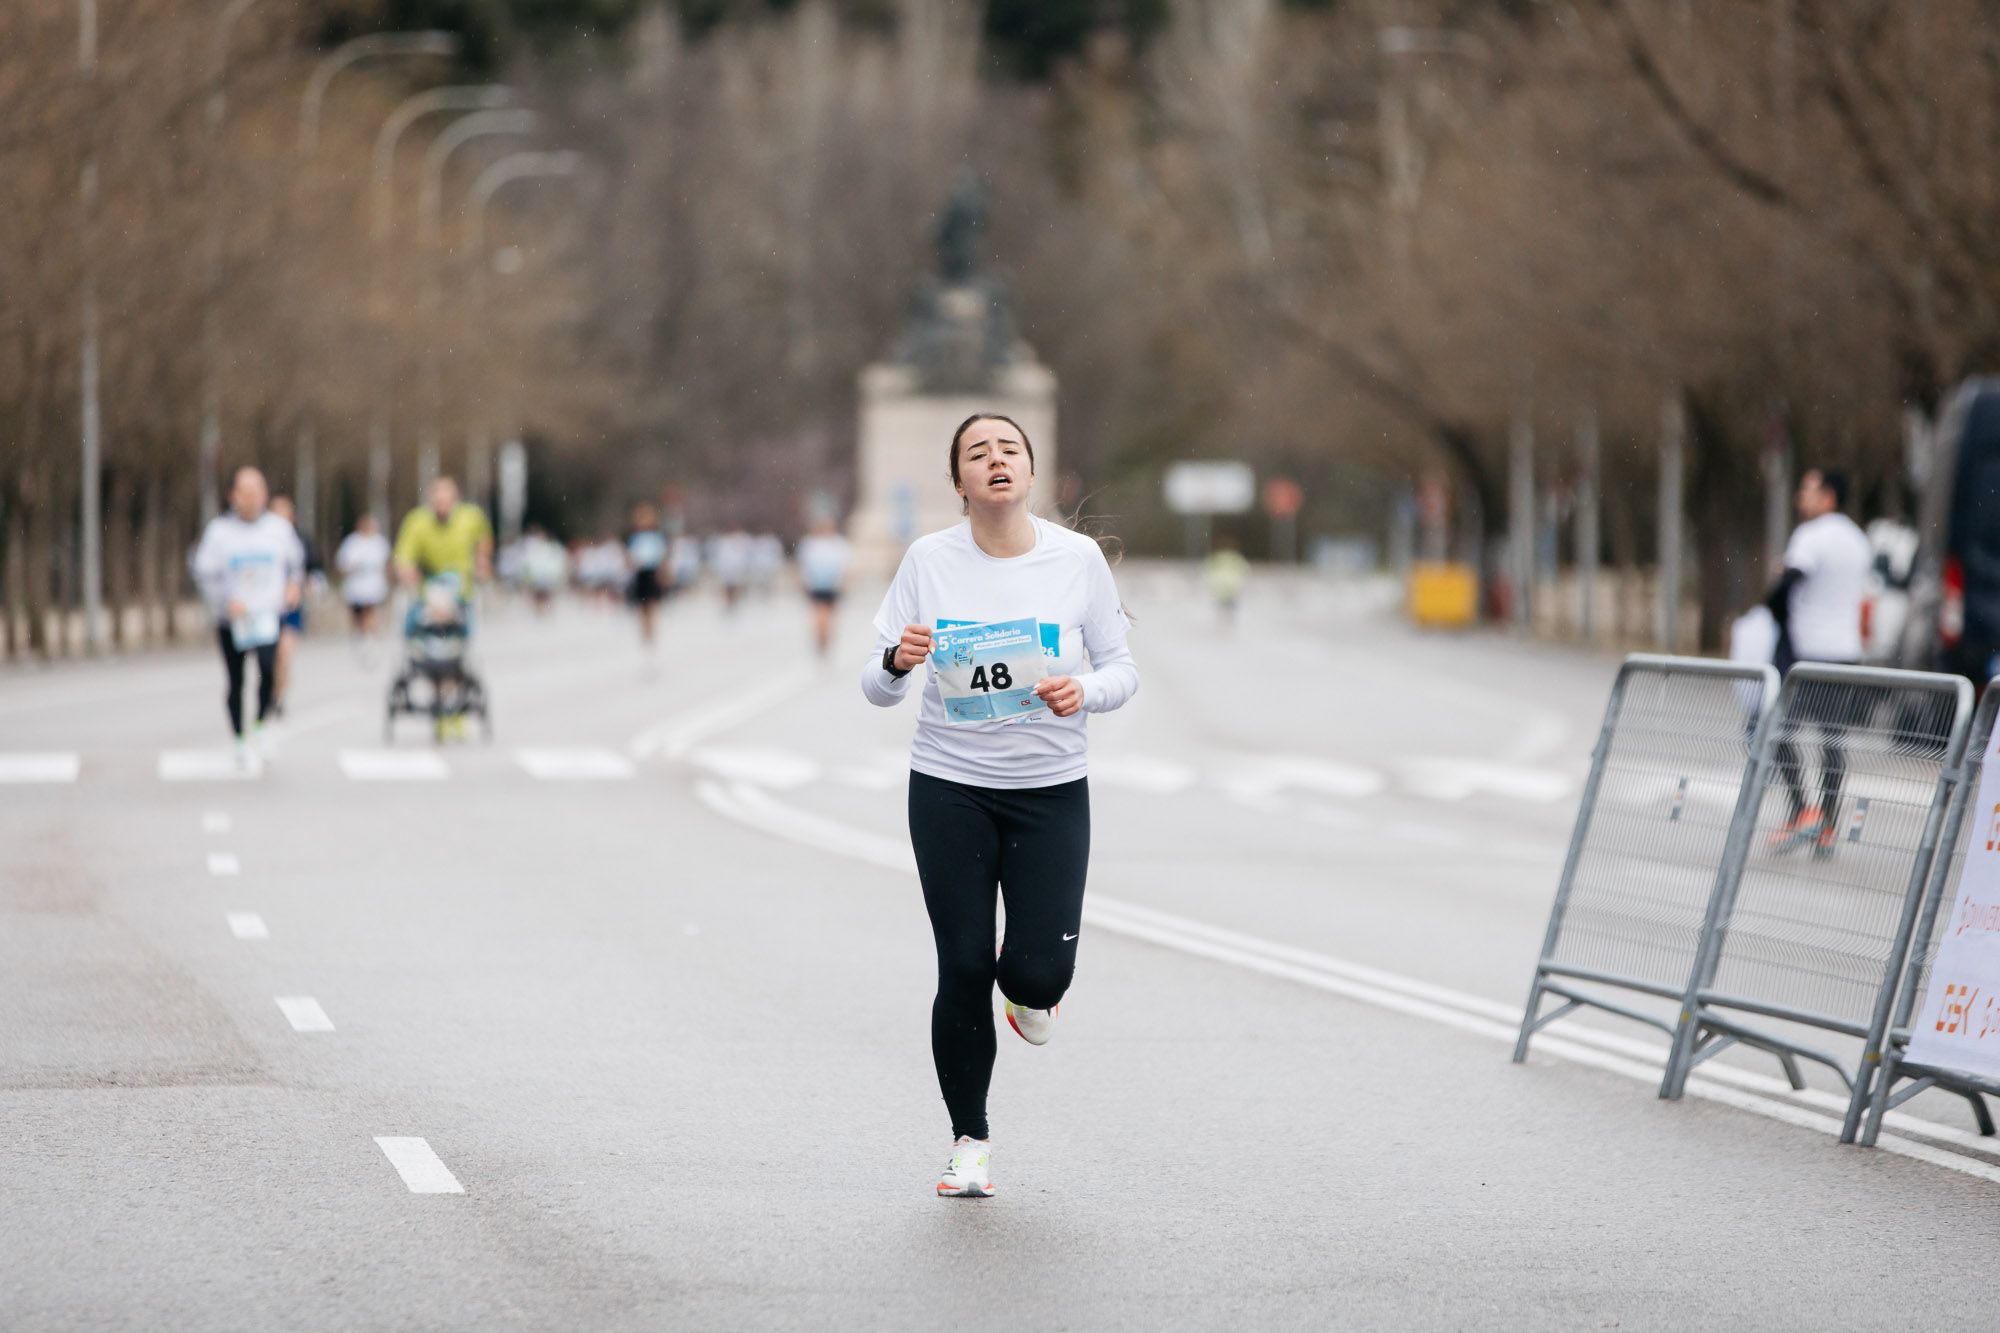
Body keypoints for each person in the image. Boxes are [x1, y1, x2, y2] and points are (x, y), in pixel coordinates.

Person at [861, 412, 1139, 1199]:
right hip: (949, 787)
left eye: (1008, 450)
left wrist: (1080, 689)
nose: (995, 461)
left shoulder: (1077, 560)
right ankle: (969, 1141)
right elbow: (877, 688)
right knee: (962, 964)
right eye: (977, 454)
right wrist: (896, 659)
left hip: (1050, 792)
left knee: (1038, 969)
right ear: (959, 482)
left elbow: (1123, 669)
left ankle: (1031, 991)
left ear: (1029, 470)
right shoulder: (928, 560)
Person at [1763, 467, 1872, 855]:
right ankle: (1827, 822)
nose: (1800, 497)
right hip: (1845, 653)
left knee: (1776, 730)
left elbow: (1788, 583)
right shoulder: (1859, 539)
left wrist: (1771, 608)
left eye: (1807, 490)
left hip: (1807, 654)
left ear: (1828, 497)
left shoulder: (1811, 536)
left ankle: (1801, 811)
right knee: (1832, 741)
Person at [192, 467, 304, 769]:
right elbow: (204, 572)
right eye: (246, 491)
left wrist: (294, 587)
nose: (252, 497)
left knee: (270, 669)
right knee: (236, 680)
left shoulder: (279, 529)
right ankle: (239, 738)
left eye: (258, 490)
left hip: (268, 615)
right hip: (233, 620)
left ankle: (261, 724)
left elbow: (296, 565)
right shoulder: (219, 532)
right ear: (234, 496)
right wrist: (226, 602)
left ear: (265, 494)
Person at [393, 475, 493, 601]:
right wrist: (407, 572)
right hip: (428, 593)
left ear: (455, 498)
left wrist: (482, 562)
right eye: (438, 501)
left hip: (462, 594)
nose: (442, 506)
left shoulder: (471, 517)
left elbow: (484, 539)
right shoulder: (416, 522)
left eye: (446, 501)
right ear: (430, 500)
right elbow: (403, 556)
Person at [267, 495, 319, 715]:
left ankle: (279, 697)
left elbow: (313, 568)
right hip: (266, 607)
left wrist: (304, 586)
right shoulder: (261, 538)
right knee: (268, 657)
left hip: (290, 606)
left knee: (285, 653)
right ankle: (268, 690)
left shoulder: (300, 541)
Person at [335, 513, 392, 653]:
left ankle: (371, 637)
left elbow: (387, 563)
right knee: (357, 613)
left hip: (373, 586)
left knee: (369, 611)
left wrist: (388, 579)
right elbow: (342, 564)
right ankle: (360, 635)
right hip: (356, 587)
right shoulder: (352, 542)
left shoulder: (380, 542)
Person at [796, 516, 852, 657]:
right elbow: (803, 566)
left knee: (830, 617)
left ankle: (826, 637)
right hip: (816, 586)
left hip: (833, 586)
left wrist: (844, 582)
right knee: (819, 616)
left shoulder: (839, 544)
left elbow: (846, 566)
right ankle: (820, 637)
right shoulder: (810, 544)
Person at [626, 502, 670, 663]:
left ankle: (651, 639)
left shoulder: (656, 537)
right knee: (641, 609)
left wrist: (664, 574)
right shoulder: (633, 537)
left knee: (651, 606)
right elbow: (630, 557)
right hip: (640, 574)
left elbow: (662, 557)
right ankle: (644, 638)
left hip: (652, 573)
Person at [1204, 537, 1251, 628]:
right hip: (1230, 589)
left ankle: (1223, 626)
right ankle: (1226, 626)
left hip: (1223, 589)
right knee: (1227, 610)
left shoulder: (1218, 558)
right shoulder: (1234, 558)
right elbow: (1245, 570)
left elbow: (1208, 570)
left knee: (1223, 609)